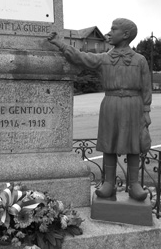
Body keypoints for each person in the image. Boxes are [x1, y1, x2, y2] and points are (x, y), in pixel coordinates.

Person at [48, 18, 152, 201]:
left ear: (126, 35)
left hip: (133, 105)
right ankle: (108, 184)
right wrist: (60, 44)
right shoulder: (103, 59)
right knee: (108, 144)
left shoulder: (140, 60)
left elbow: (146, 87)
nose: (109, 33)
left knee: (134, 144)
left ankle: (134, 184)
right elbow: (80, 57)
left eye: (114, 29)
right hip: (110, 104)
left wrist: (146, 112)